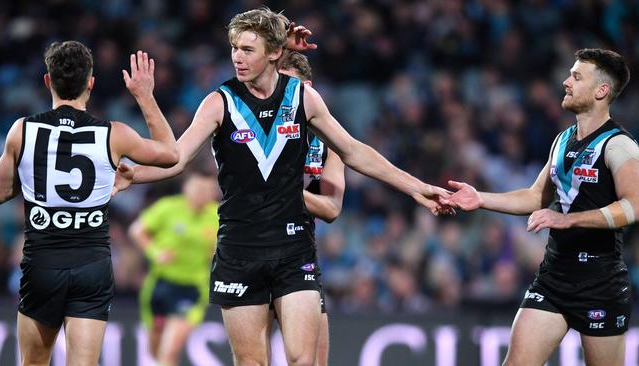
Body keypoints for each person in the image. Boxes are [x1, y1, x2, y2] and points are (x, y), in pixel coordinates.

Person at [112, 7, 451, 366]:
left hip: (293, 249)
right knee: (251, 362)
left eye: (247, 50)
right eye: (234, 48)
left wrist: (415, 187)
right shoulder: (219, 102)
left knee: (304, 361)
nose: (237, 58)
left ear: (274, 54)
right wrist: (144, 119)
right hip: (239, 249)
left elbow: (352, 151)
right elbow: (176, 157)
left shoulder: (302, 98)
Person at [0, 41, 178, 366]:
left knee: (32, 362)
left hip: (42, 265)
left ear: (47, 81)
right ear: (91, 83)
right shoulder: (114, 135)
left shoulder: (22, 131)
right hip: (91, 266)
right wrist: (145, 95)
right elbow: (171, 155)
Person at [444, 48, 636, 366]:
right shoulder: (562, 139)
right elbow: (536, 197)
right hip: (553, 278)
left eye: (576, 76)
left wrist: (568, 220)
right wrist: (480, 199)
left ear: (602, 90)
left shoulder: (618, 144)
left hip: (600, 282)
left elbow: (634, 206)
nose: (566, 82)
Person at [274, 51, 344, 366]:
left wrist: (283, 189)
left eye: (293, 88)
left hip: (300, 253)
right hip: (247, 249)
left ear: (309, 88)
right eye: (280, 88)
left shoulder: (330, 142)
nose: (286, 99)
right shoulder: (254, 131)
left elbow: (331, 209)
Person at [129, 171, 219, 366]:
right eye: (198, 188)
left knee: (169, 351)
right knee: (156, 348)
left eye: (208, 189)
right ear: (186, 188)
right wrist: (155, 252)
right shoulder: (168, 208)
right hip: (160, 284)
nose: (203, 194)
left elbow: (223, 248)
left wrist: (216, 255)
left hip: (192, 288)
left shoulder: (216, 215)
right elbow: (137, 231)